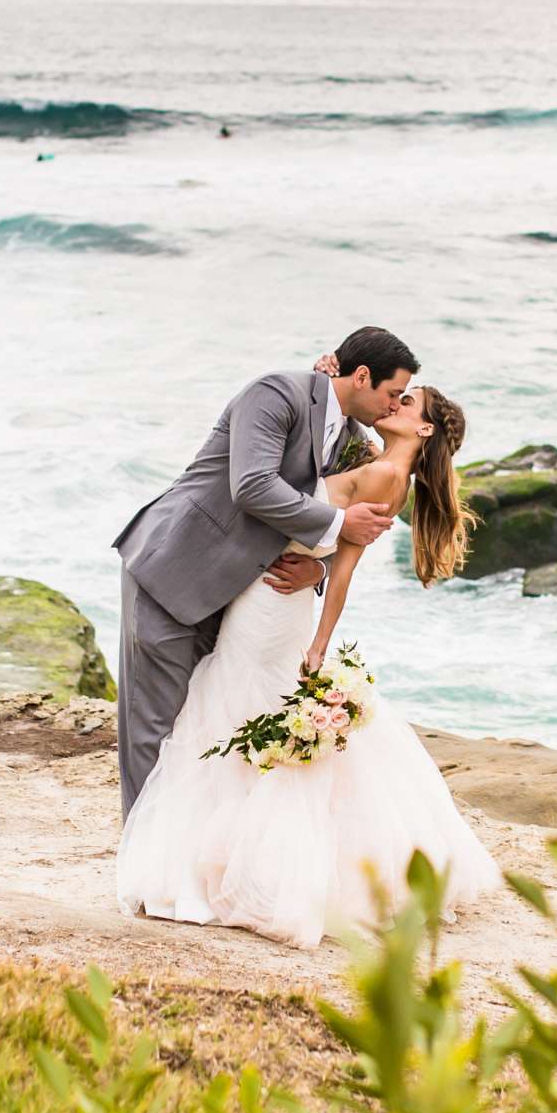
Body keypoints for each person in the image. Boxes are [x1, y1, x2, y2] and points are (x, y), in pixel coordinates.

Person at [116, 382, 502, 948]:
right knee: (237, 708)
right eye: (396, 393)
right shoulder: (379, 464)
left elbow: (340, 562)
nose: (395, 405)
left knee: (236, 706)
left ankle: (230, 863)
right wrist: (331, 380)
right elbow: (329, 440)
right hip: (273, 595)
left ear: (423, 430)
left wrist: (321, 641)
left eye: (408, 402)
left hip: (276, 606)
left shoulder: (385, 476)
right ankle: (211, 852)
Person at [113, 327, 418, 820]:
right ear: (362, 376)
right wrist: (341, 523)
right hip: (177, 570)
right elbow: (252, 486)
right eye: (390, 394)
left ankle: (185, 861)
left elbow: (319, 524)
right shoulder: (276, 393)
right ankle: (145, 878)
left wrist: (317, 565)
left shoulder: (352, 437)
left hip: (239, 595)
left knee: (199, 729)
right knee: (155, 730)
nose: (392, 406)